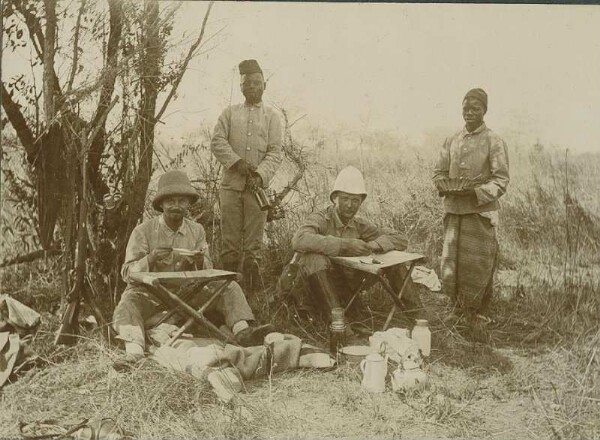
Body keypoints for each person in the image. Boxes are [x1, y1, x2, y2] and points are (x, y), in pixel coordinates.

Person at [112, 170, 275, 362]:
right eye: (170, 201)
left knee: (229, 287)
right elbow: (127, 273)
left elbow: (209, 269)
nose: (176, 206)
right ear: (161, 204)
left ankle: (243, 332)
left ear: (189, 204)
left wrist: (200, 261)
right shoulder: (143, 231)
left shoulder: (196, 230)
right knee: (129, 300)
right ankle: (134, 350)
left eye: (182, 201)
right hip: (153, 296)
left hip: (189, 294)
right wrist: (151, 258)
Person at [289, 166, 425, 328]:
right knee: (313, 258)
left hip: (345, 285)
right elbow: (299, 240)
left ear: (361, 202)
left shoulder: (359, 224)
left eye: (355, 201)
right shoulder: (321, 218)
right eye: (345, 199)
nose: (349, 205)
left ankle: (419, 319)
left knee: (394, 262)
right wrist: (345, 246)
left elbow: (400, 239)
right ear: (334, 198)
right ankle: (340, 328)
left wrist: (373, 245)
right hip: (313, 286)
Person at [433, 88, 509, 323]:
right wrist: (443, 185)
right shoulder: (451, 140)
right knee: (450, 265)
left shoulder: (493, 141)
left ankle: (476, 314)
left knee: (476, 266)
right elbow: (439, 173)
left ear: (484, 111)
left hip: (479, 213)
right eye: (466, 108)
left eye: (475, 108)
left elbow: (501, 180)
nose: (469, 113)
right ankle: (455, 313)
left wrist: (475, 192)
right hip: (453, 212)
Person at [210, 59, 283, 291]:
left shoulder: (272, 117)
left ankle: (252, 297)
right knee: (229, 244)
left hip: (257, 191)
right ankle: (225, 293)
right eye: (247, 83)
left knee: (254, 246)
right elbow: (217, 141)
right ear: (241, 87)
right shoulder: (229, 114)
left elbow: (275, 153)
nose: (252, 87)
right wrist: (237, 163)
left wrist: (259, 176)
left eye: (256, 83)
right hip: (230, 188)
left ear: (264, 85)